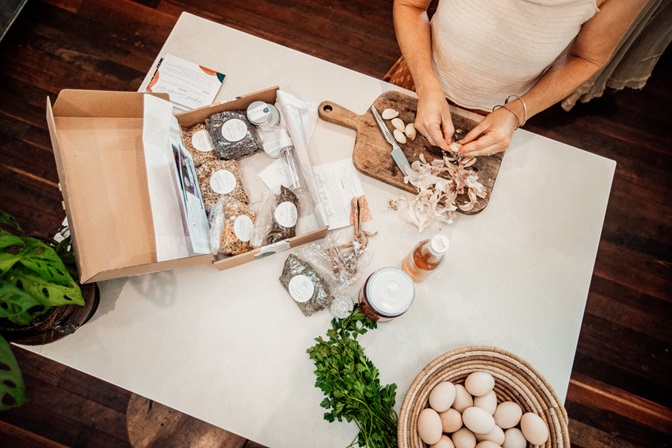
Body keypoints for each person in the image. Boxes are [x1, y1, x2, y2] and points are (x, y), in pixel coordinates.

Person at [392, 0, 648, 157]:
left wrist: (515, 113)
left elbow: (587, 57)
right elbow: (410, 5)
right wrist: (426, 85)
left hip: (496, 113)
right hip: (419, 74)